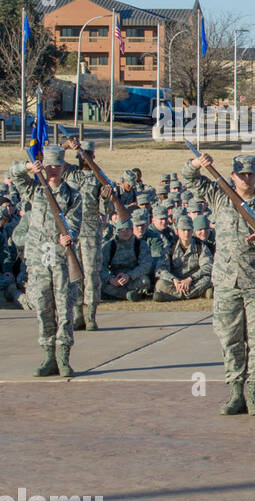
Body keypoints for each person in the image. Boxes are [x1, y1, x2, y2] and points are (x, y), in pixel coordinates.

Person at [183, 152, 255, 416]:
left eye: (250, 174)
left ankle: (253, 392)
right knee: (229, 337)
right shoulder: (220, 196)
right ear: (233, 176)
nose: (246, 178)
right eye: (241, 174)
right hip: (226, 281)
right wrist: (196, 165)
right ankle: (234, 392)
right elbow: (189, 179)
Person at [9, 145, 82, 377]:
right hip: (38, 258)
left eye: (56, 166)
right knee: (42, 305)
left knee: (64, 307)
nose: (52, 170)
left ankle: (63, 357)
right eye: (48, 165)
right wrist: (28, 167)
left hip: (61, 257)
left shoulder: (72, 194)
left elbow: (75, 223)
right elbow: (14, 175)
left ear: (63, 167)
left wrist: (68, 234)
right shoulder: (36, 190)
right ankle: (48, 357)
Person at [63, 137, 107, 330]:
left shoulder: (99, 176)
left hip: (90, 228)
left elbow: (106, 209)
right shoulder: (71, 174)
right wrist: (66, 145)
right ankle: (77, 314)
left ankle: (91, 315)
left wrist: (106, 197)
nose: (83, 158)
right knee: (75, 272)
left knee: (91, 273)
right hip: (72, 228)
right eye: (80, 155)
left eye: (87, 155)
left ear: (93, 156)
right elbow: (51, 158)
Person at [153, 214, 214, 301]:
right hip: (176, 282)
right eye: (183, 230)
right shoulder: (170, 248)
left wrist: (190, 279)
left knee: (208, 280)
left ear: (192, 230)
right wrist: (174, 279)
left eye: (189, 230)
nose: (186, 233)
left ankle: (171, 296)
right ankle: (198, 293)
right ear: (177, 231)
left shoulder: (200, 246)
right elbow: (160, 269)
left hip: (194, 281)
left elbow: (208, 266)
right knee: (160, 284)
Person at [102, 209, 157, 301]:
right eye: (122, 230)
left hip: (133, 278)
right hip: (116, 278)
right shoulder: (109, 246)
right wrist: (111, 279)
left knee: (145, 281)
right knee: (99, 283)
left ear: (132, 230)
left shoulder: (140, 244)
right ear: (117, 231)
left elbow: (146, 265)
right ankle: (129, 295)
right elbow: (101, 266)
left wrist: (129, 275)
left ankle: (121, 294)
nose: (125, 232)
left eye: (128, 229)